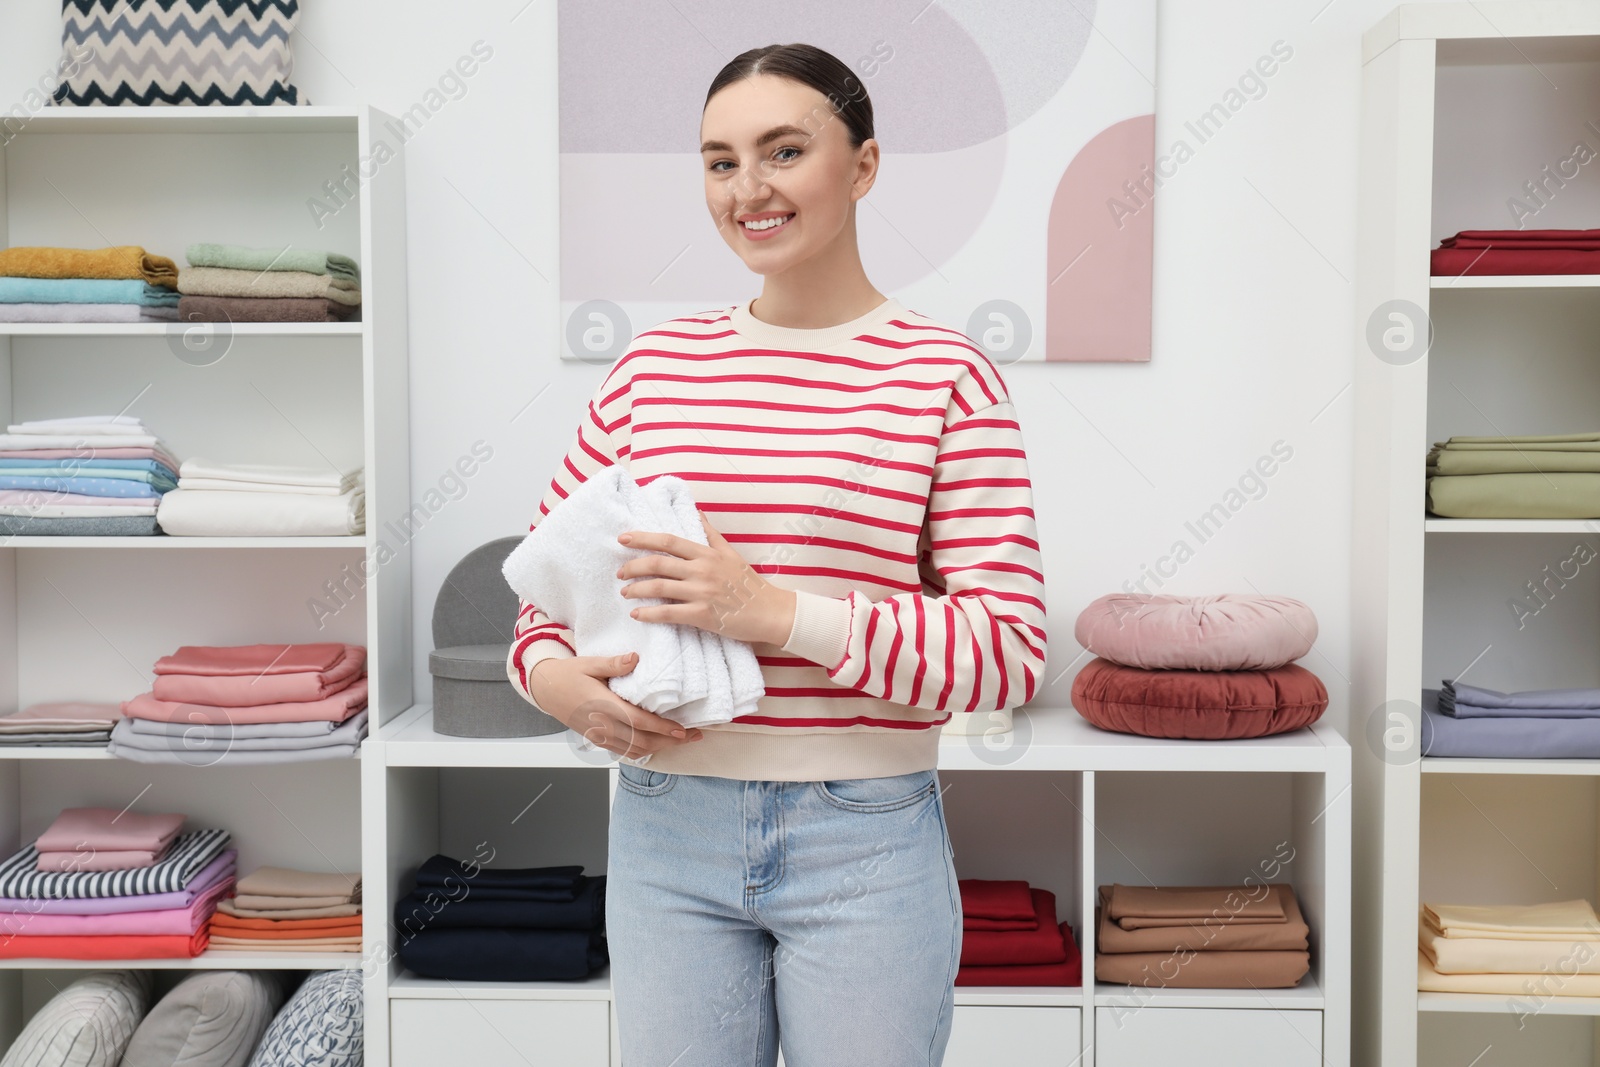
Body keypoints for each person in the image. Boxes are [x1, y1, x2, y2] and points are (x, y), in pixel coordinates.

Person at [506, 42, 1048, 1067]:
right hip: (666, 829)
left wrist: (766, 609)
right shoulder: (649, 372)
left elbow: (1009, 649)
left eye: (783, 150)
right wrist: (552, 682)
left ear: (865, 164)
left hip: (867, 837)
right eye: (719, 161)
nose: (747, 189)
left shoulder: (943, 374)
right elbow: (545, 595)